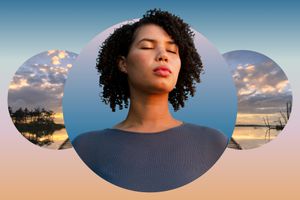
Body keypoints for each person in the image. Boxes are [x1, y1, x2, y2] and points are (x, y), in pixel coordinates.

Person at [73, 9, 228, 192]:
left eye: (172, 50)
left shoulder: (214, 143)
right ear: (123, 64)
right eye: (147, 46)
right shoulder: (86, 147)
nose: (163, 55)